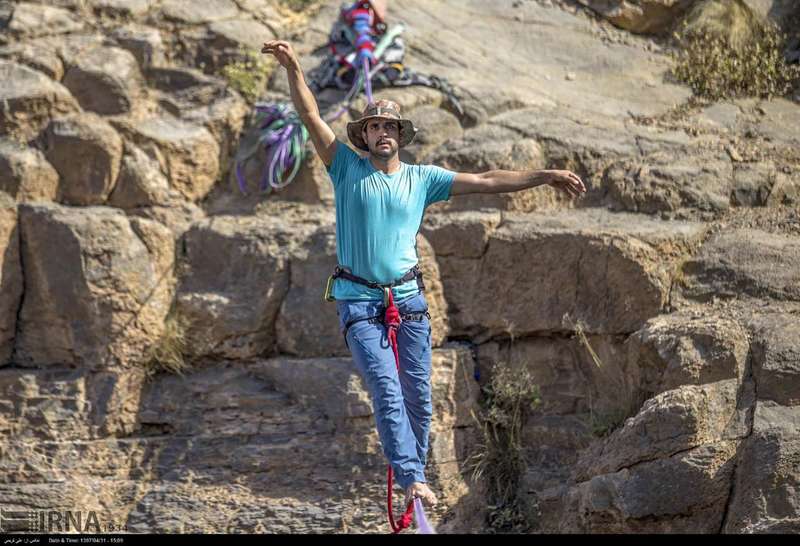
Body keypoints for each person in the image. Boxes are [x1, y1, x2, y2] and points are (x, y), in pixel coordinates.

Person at [262, 40, 586, 509]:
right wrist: (294, 67)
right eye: (374, 126)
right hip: (360, 302)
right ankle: (412, 476)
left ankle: (416, 474)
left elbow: (487, 180)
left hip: (409, 301)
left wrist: (546, 175)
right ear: (364, 135)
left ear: (400, 135)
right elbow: (310, 115)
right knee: (386, 388)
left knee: (418, 395)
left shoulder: (423, 179)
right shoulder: (345, 166)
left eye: (389, 126)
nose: (382, 132)